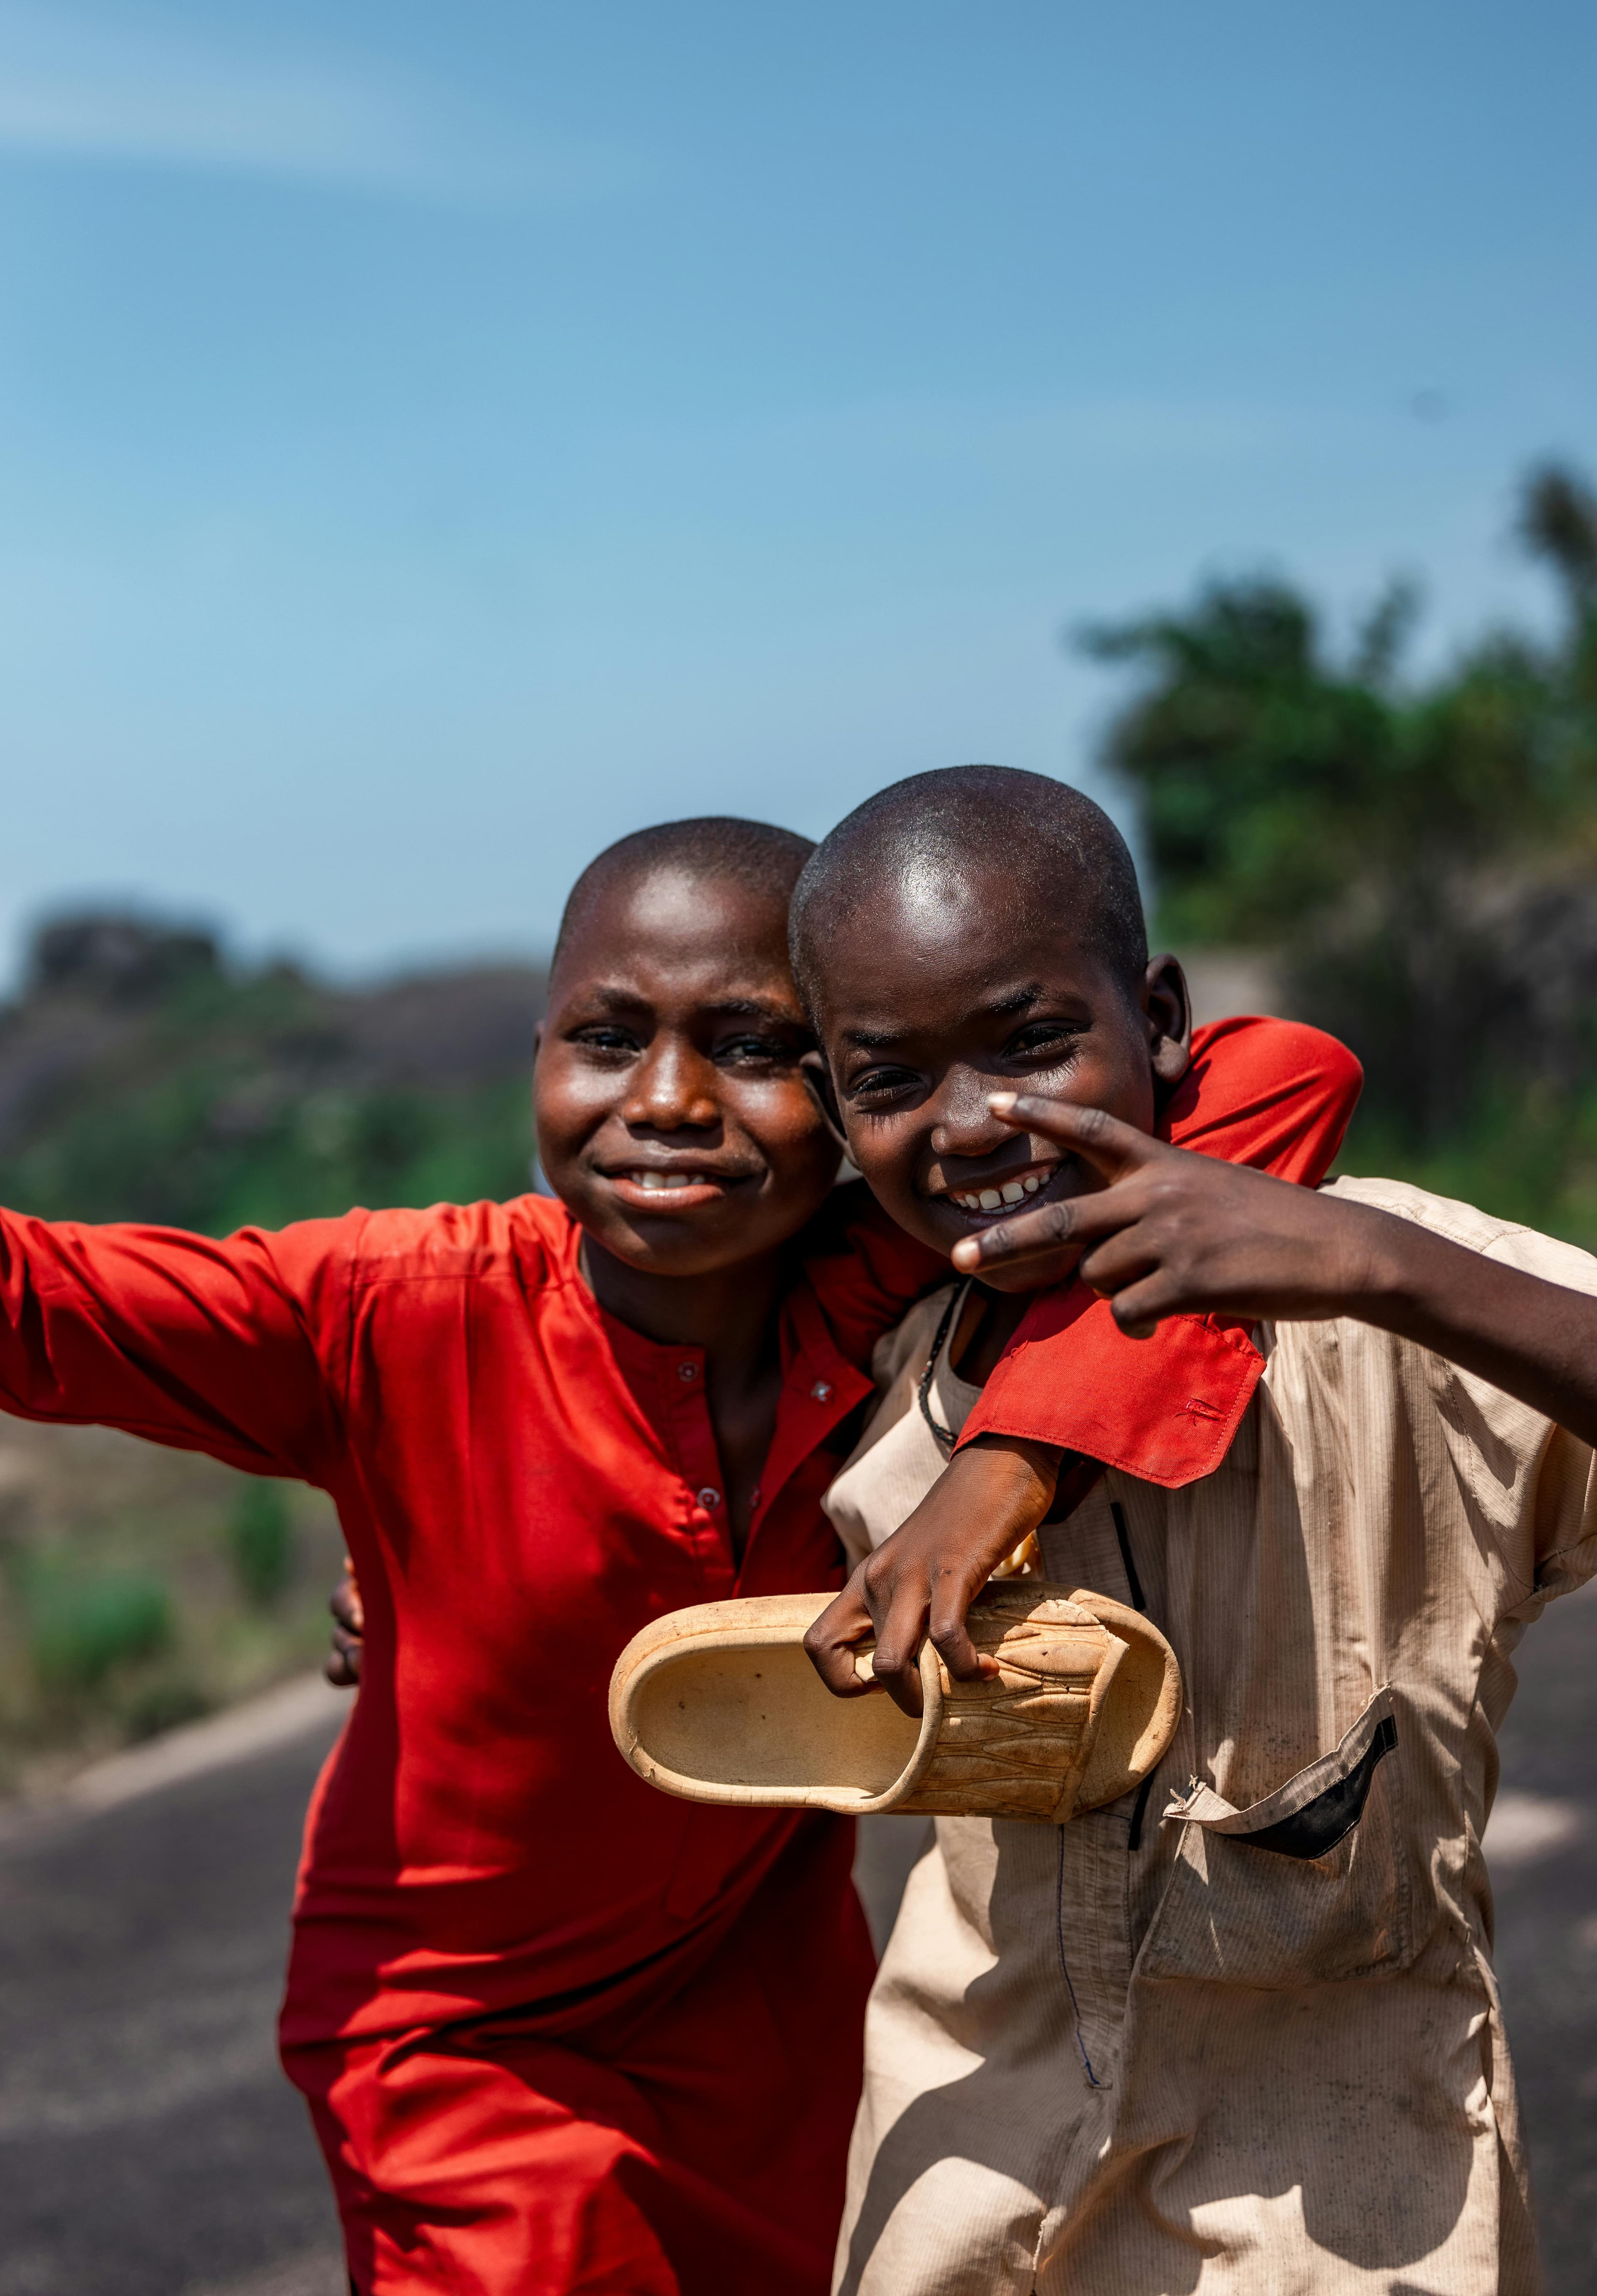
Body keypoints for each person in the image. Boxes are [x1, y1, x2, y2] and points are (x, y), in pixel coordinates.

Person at [0, 808, 1353, 2295]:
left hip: (771, 2010)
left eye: (754, 1047)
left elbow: (1280, 1072)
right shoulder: (392, 1313)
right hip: (459, 2044)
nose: (666, 1101)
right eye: (605, 1038)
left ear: (851, 1084)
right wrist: (403, 1559)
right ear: (535, 1056)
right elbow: (37, 1301)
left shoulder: (888, 1276)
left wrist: (1008, 1464)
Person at [794, 765, 1597, 2296]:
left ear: (1160, 1019)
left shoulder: (1380, 1303)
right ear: (839, 1109)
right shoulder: (884, 1367)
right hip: (965, 2181)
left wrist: (1386, 1264)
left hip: (1352, 2202)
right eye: (892, 1081)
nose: (975, 1126)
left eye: (1035, 1044)